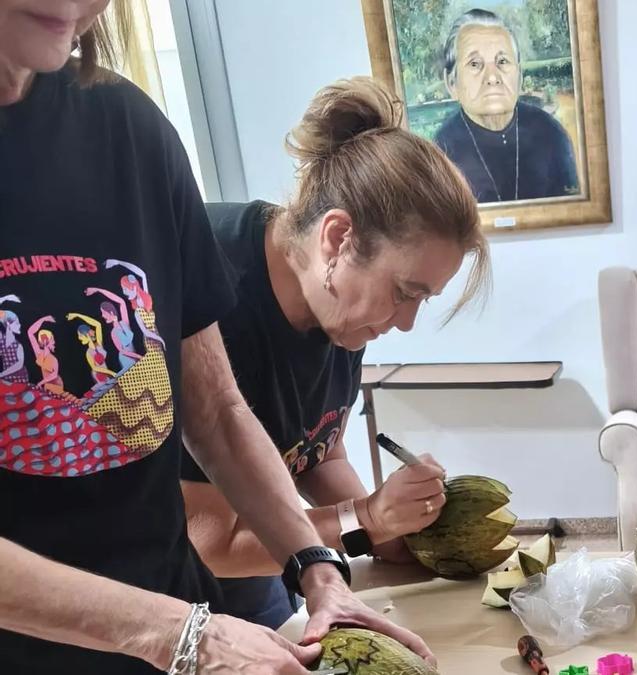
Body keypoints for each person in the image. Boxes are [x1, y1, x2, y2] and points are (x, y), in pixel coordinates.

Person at [0, 2, 432, 673]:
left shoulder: (134, 133)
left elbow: (220, 413)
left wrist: (316, 567)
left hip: (174, 635)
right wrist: (177, 633)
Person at [180, 76, 490, 629]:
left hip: (270, 574)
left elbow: (320, 452)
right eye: (405, 293)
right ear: (338, 238)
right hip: (170, 603)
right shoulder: (210, 286)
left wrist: (390, 532)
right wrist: (365, 519)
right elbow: (213, 540)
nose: (406, 322)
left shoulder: (338, 308)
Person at [433, 8, 579, 203]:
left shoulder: (550, 134)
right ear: (452, 83)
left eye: (502, 61)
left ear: (519, 76)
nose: (492, 77)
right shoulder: (441, 151)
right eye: (475, 64)